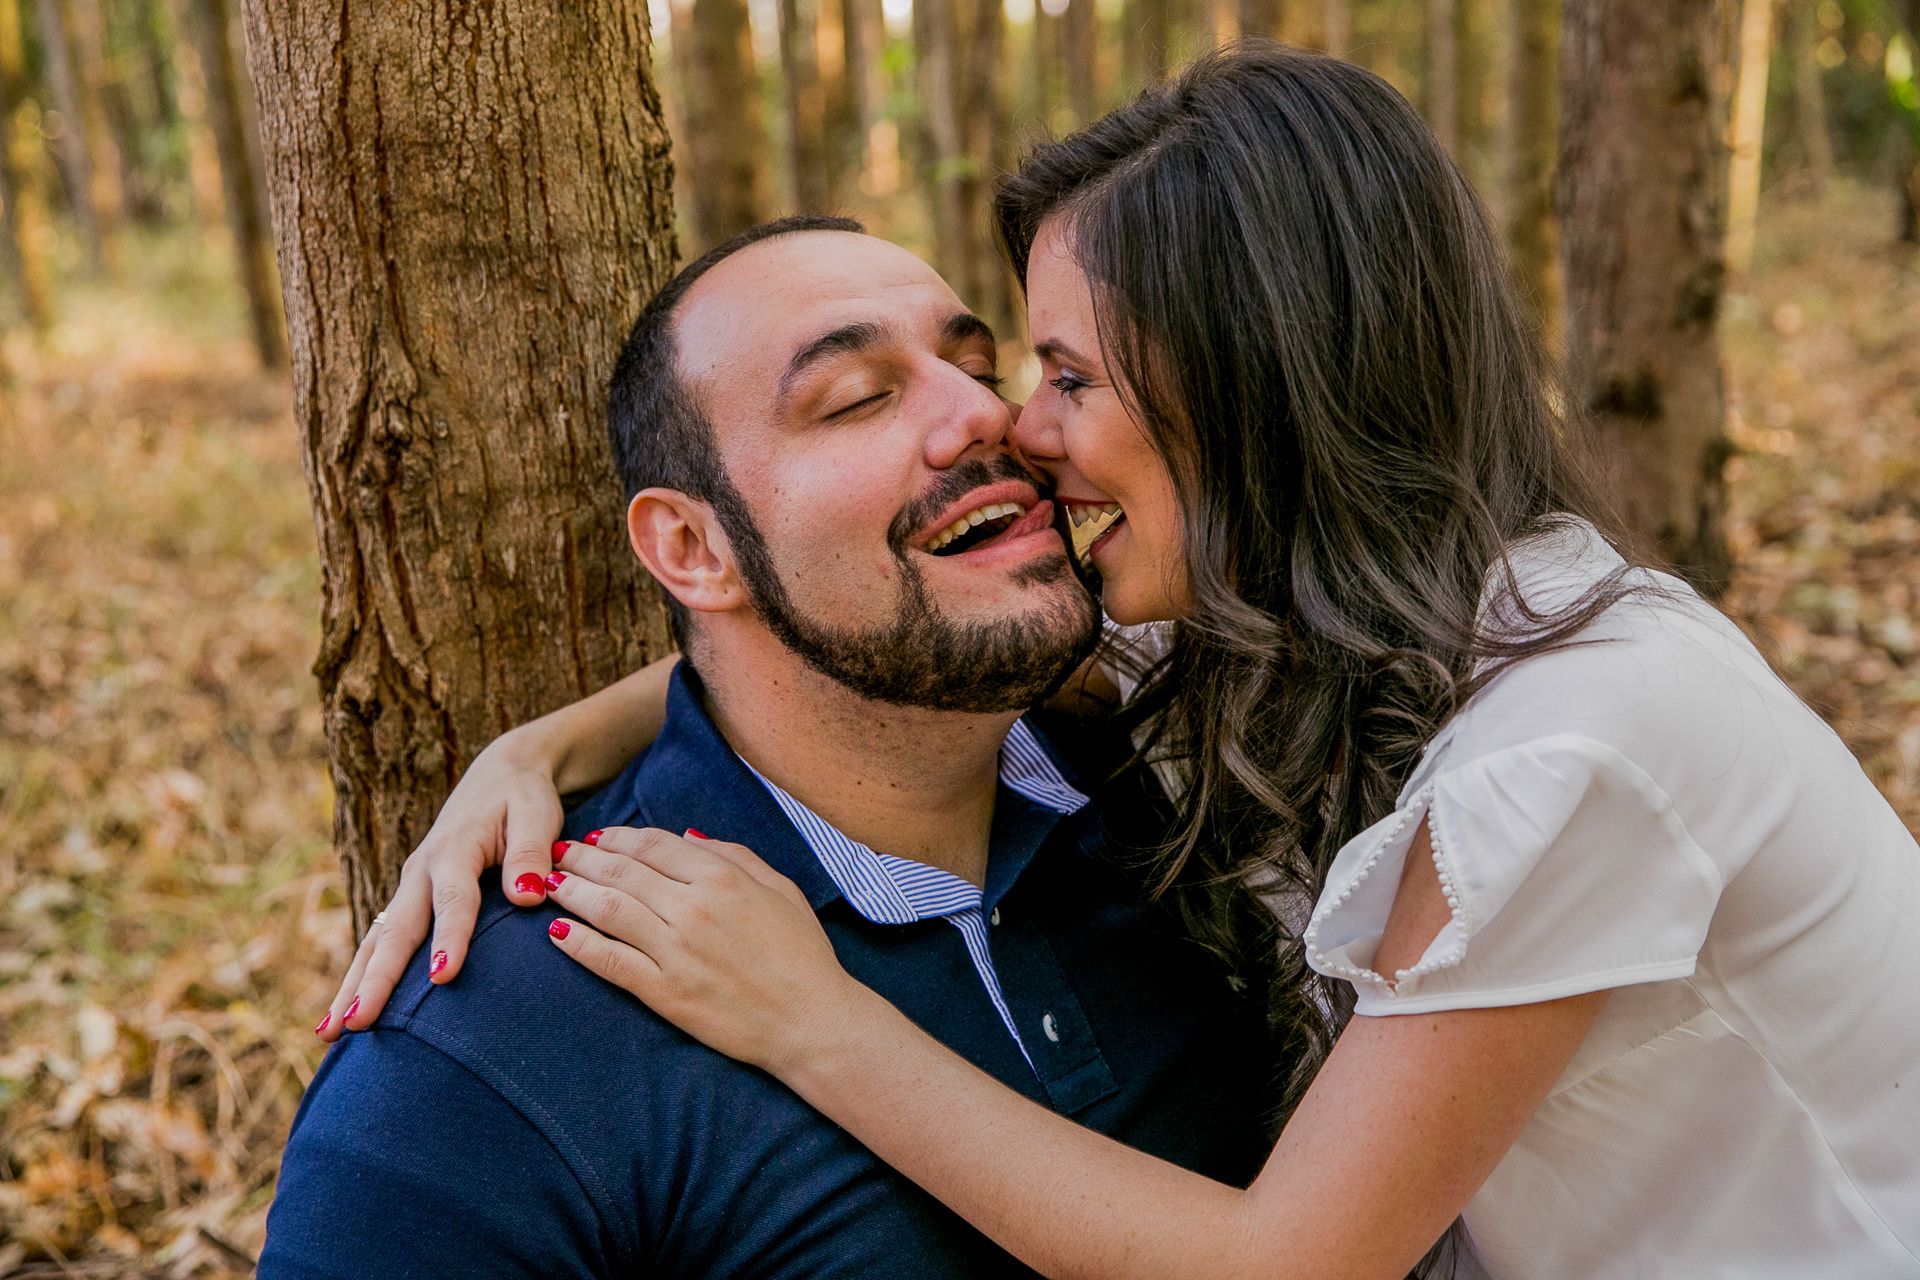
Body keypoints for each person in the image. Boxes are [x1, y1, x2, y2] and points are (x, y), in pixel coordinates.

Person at [327, 46, 1920, 1279]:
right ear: (693, 550)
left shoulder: (1570, 740)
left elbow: (1288, 1264)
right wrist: (539, 748)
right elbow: (856, 650)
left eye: (1046, 370)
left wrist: (815, 1018)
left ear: (1260, 389)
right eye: (859, 398)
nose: (1008, 425)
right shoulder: (1334, 630)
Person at [259, 216, 1278, 1278]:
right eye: (857, 398)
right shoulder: (483, 1060)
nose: (985, 412)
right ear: (693, 549)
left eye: (980, 365)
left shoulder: (1185, 771)